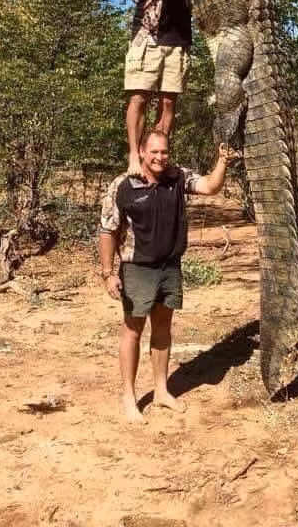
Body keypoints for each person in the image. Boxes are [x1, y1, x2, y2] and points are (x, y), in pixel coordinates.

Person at [98, 130, 238, 424]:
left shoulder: (177, 176)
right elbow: (107, 230)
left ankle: (161, 391)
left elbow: (210, 186)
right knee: (133, 329)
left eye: (164, 151)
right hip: (137, 268)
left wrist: (223, 161)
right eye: (154, 152)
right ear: (141, 152)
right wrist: (108, 273)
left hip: (169, 267)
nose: (160, 157)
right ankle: (129, 397)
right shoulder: (123, 185)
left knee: (162, 326)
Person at [124, 0, 213, 176]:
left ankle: (157, 159)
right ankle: (134, 156)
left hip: (179, 39)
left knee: (168, 104)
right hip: (148, 38)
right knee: (139, 98)